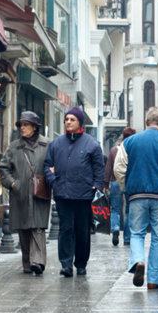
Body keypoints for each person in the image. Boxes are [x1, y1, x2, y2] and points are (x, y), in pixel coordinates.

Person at [114, 107, 158, 290]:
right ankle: (154, 280)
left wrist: (126, 186)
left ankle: (137, 261)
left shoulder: (129, 142)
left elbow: (119, 168)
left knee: (137, 233)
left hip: (137, 194)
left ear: (146, 122)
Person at [44, 106, 103, 277]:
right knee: (65, 229)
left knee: (82, 230)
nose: (68, 122)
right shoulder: (56, 144)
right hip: (63, 193)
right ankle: (66, 264)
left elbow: (99, 168)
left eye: (72, 119)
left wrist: (96, 185)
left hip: (84, 195)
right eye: (66, 119)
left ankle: (81, 263)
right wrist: (53, 181)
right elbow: (47, 165)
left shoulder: (91, 144)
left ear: (80, 122)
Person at [0, 111, 51, 275]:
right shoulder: (14, 146)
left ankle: (38, 262)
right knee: (24, 230)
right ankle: (27, 263)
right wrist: (13, 184)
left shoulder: (47, 144)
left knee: (38, 228)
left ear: (35, 127)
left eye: (26, 125)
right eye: (21, 124)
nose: (22, 128)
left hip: (40, 193)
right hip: (20, 194)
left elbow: (54, 165)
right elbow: (3, 169)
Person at [104, 127, 136, 246]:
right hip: (130, 183)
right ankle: (127, 238)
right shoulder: (134, 150)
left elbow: (108, 168)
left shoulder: (114, 150)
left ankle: (116, 228)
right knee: (129, 210)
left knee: (115, 209)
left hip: (115, 181)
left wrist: (106, 183)